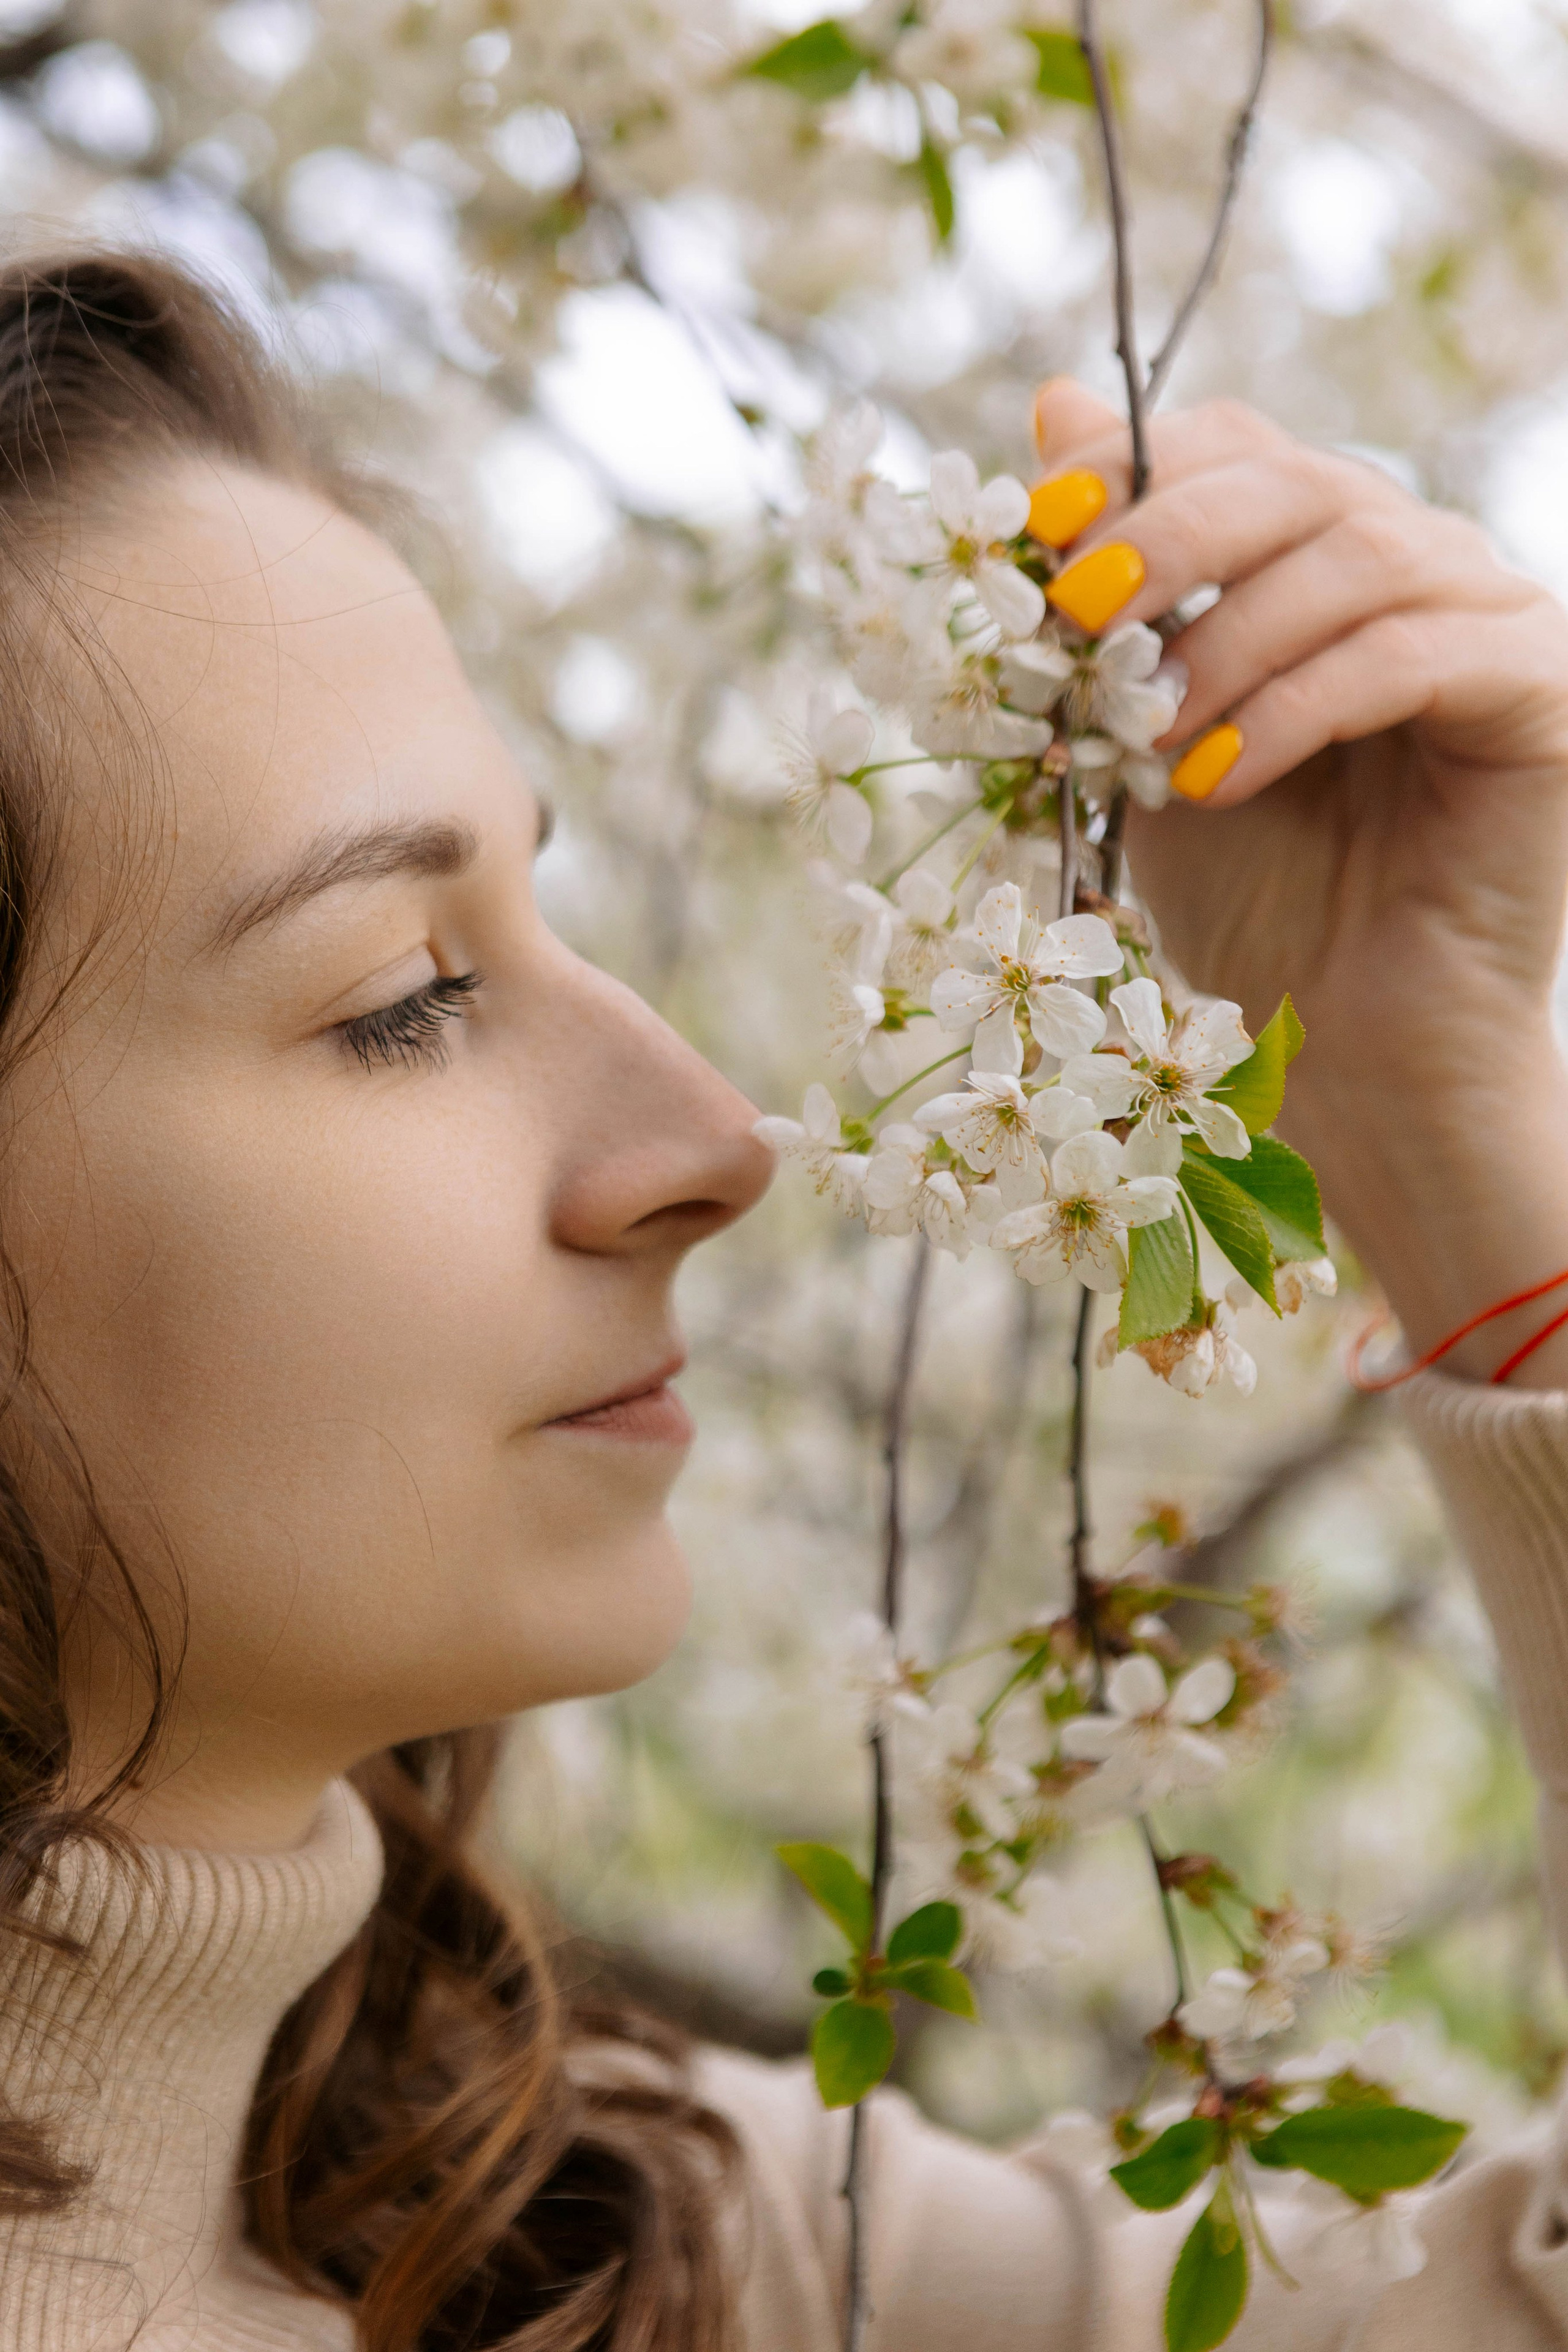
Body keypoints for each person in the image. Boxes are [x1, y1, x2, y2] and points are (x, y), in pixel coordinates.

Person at [0, 248, 1564, 2352]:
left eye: (538, 916)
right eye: (403, 1000)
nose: (717, 1139)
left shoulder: (639, 2252)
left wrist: (1430, 1088)